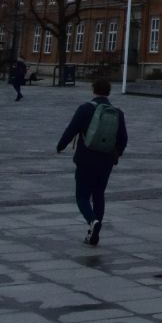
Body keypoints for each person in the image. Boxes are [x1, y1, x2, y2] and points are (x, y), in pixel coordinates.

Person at [56, 78, 128, 245]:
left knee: (82, 196)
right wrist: (116, 154)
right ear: (109, 92)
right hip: (106, 161)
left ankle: (92, 221)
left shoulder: (85, 108)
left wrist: (60, 146)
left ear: (93, 90)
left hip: (85, 158)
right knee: (98, 195)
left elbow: (71, 129)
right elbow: (123, 139)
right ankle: (95, 231)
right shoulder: (118, 112)